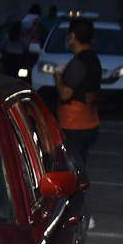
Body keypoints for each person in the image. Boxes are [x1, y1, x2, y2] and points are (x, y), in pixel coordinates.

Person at [54, 18, 100, 166]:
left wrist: (58, 75)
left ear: (72, 36)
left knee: (69, 168)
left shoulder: (78, 63)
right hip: (90, 122)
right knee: (79, 165)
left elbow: (65, 94)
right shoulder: (94, 59)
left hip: (74, 125)